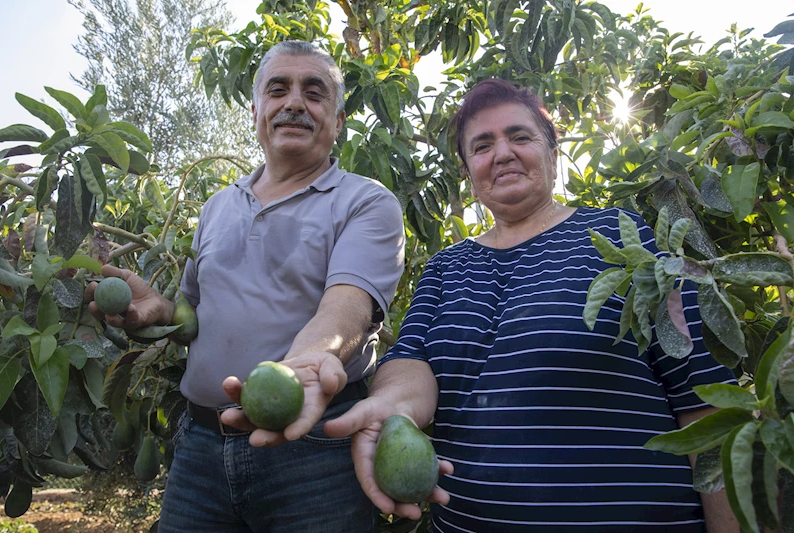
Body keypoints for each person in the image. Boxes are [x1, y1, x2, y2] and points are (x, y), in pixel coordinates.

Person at [324, 79, 739, 532]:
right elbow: (410, 360)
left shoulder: (623, 235)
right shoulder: (446, 268)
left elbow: (704, 398)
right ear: (469, 172)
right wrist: (393, 407)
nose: (502, 153)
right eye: (482, 146)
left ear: (552, 154)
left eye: (520, 137)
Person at [87, 40, 405, 532]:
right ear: (256, 111)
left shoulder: (365, 202)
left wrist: (308, 363)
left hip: (314, 450)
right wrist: (159, 311)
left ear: (338, 121)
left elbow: (347, 309)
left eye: (314, 92)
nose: (294, 102)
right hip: (200, 446)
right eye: (278, 89)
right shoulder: (217, 206)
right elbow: (197, 317)